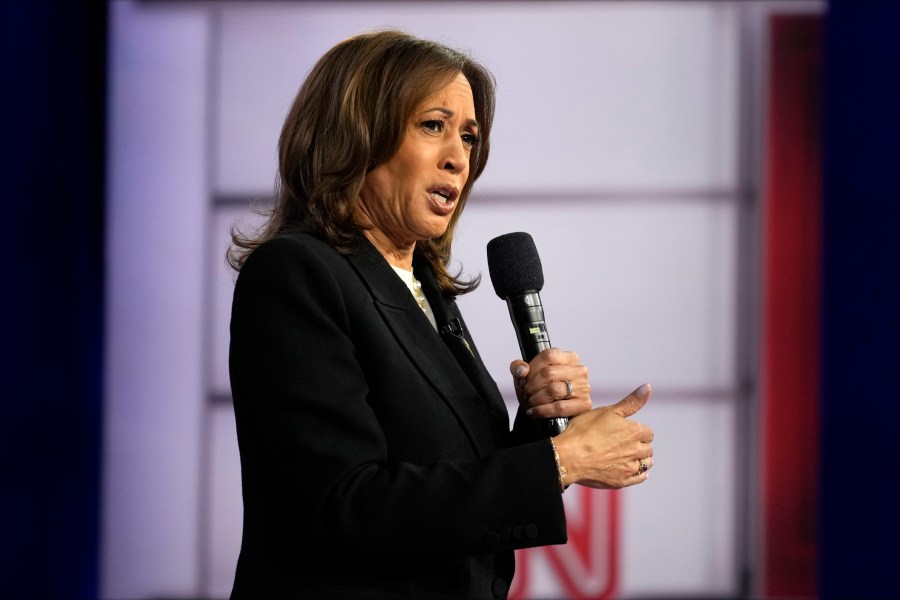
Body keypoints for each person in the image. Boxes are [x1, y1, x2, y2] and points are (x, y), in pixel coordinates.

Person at [226, 28, 654, 600]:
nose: (459, 159)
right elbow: (348, 503)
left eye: (470, 137)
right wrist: (560, 461)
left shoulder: (424, 290)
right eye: (433, 126)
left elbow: (446, 474)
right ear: (357, 134)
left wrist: (535, 423)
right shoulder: (297, 273)